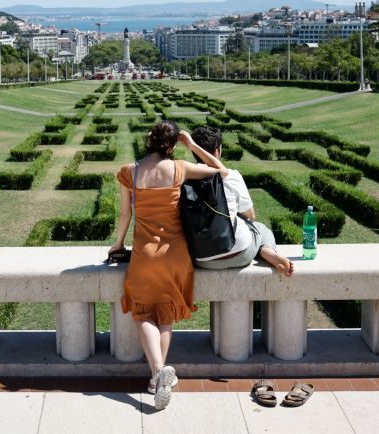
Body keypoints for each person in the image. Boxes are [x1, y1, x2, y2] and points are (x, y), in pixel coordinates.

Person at [109, 120, 226, 410]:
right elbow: (222, 171)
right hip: (176, 255)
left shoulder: (129, 171)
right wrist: (193, 146)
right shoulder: (179, 168)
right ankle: (157, 377)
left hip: (145, 256)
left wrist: (117, 244)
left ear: (149, 140)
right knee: (165, 314)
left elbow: (125, 215)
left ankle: (159, 371)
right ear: (172, 145)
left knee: (142, 312)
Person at [180, 126, 295, 277]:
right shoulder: (230, 175)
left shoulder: (185, 177)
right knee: (260, 228)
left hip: (200, 258)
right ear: (217, 151)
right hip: (239, 253)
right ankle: (267, 251)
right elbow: (251, 215)